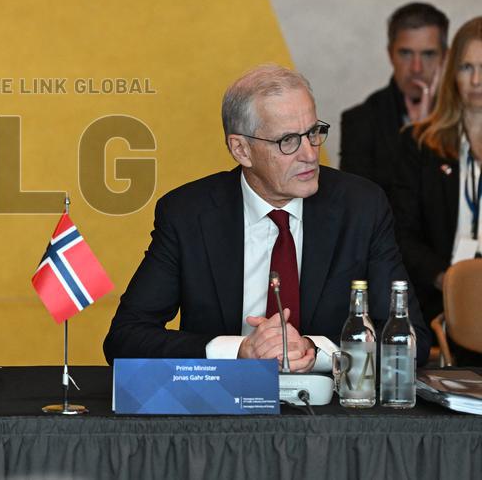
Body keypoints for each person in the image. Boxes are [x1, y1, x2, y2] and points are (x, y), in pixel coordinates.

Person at [104, 64, 431, 368]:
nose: (309, 154)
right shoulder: (189, 215)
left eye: (314, 132)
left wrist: (314, 351)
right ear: (241, 150)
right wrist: (238, 351)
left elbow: (411, 341)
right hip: (223, 411)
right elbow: (125, 338)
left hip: (330, 412)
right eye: (288, 140)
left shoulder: (361, 207)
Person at [391, 17, 482, 349]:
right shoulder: (419, 144)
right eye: (466, 67)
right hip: (438, 305)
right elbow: (401, 232)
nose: (476, 80)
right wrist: (451, 282)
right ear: (450, 72)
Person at [340, 2, 448, 196]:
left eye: (428, 54)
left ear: (445, 56)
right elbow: (358, 210)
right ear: (390, 54)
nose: (416, 68)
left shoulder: (466, 115)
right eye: (406, 53)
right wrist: (414, 142)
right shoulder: (360, 122)